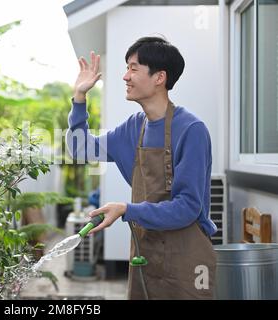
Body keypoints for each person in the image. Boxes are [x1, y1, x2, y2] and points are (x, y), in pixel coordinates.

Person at [66, 36, 217, 299]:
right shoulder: (133, 128)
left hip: (186, 258)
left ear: (159, 77)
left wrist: (127, 209)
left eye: (133, 68)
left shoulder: (191, 130)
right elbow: (81, 149)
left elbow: (188, 208)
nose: (125, 76)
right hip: (145, 251)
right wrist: (79, 98)